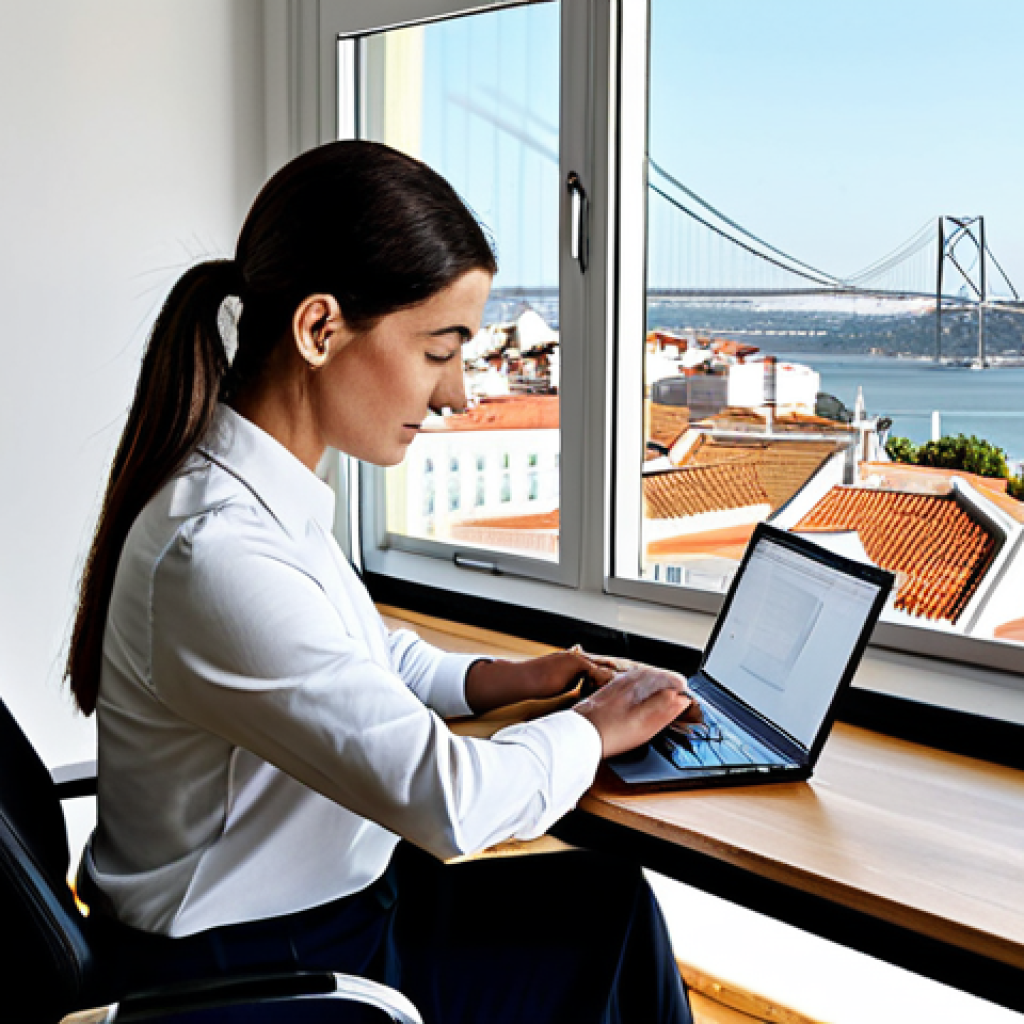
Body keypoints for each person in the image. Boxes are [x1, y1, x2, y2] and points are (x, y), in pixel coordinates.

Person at [67, 140, 696, 1023]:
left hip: (313, 919)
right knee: (606, 928)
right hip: (263, 968)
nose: (460, 395)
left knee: (611, 903)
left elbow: (363, 661)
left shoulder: (256, 499)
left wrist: (501, 680)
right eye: (442, 349)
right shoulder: (218, 554)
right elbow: (451, 803)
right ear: (320, 330)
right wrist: (594, 728)